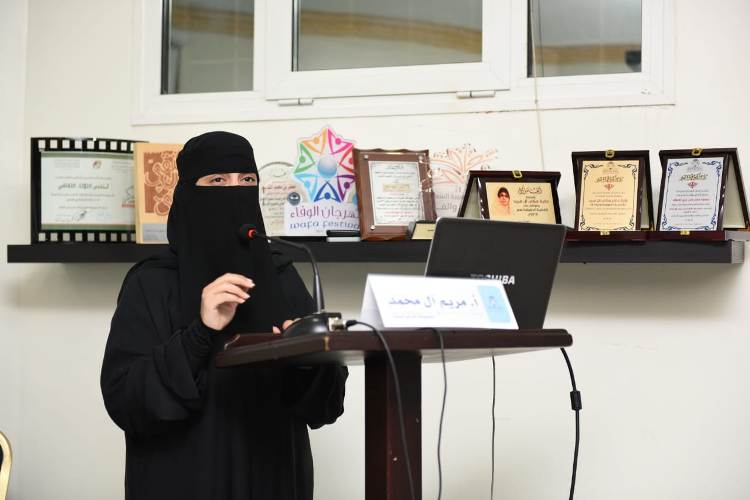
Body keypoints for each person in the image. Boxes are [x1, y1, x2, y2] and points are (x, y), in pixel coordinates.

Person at [101, 131, 347, 500]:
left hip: (273, 475)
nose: (235, 191)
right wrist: (199, 332)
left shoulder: (280, 275)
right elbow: (126, 400)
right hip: (182, 479)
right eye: (217, 180)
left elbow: (325, 404)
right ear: (188, 193)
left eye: (247, 180)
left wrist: (306, 357)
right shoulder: (152, 282)